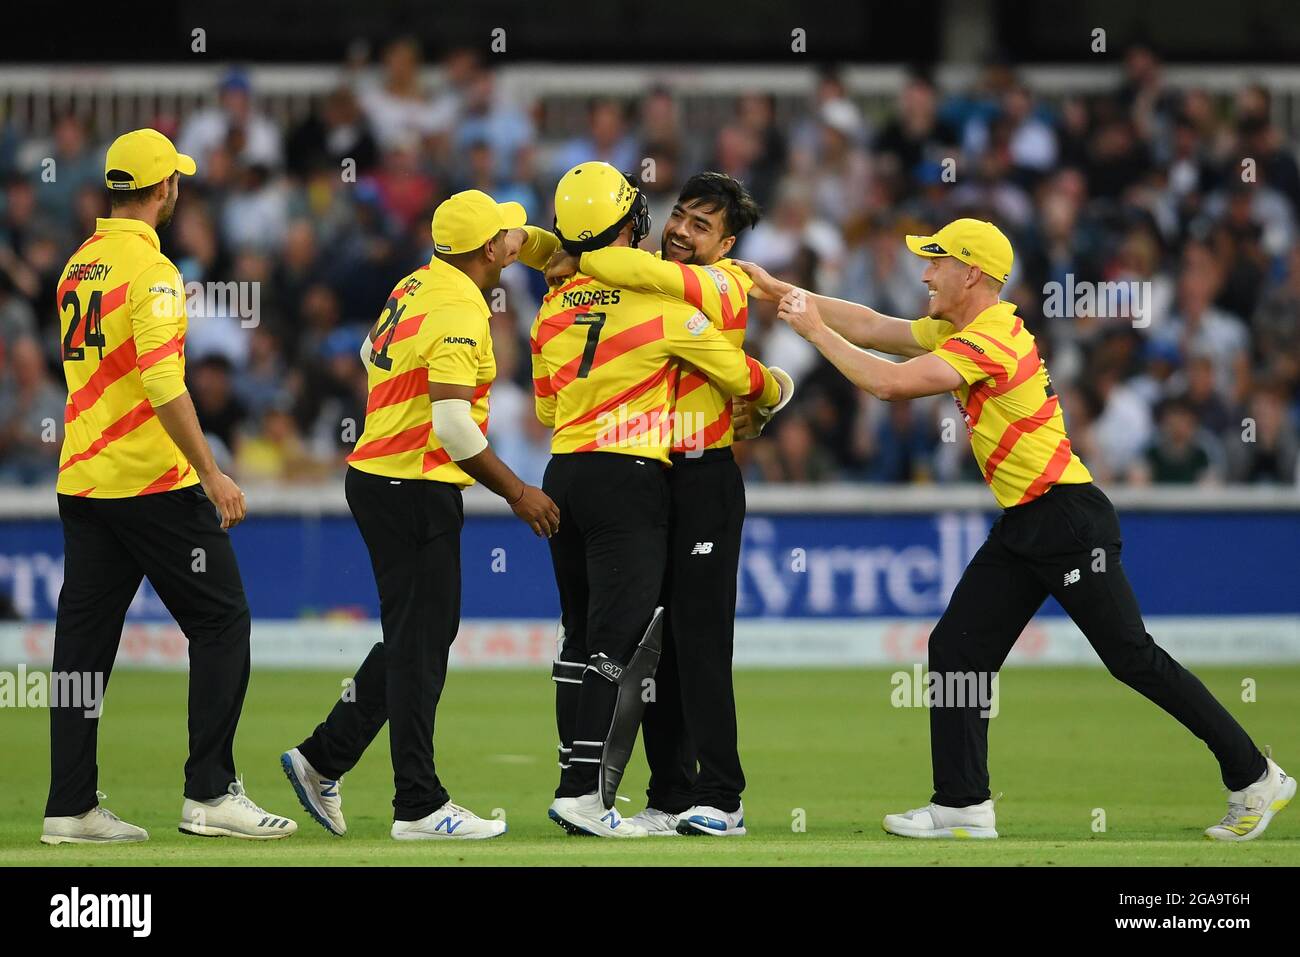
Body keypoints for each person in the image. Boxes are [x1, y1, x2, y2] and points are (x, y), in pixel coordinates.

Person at [740, 218, 1293, 841]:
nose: (924, 273)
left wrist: (812, 331)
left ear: (971, 273)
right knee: (957, 649)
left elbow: (890, 383)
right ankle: (961, 806)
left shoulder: (993, 339)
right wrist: (778, 290)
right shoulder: (964, 327)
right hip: (1031, 520)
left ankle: (1254, 777)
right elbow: (873, 327)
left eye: (936, 262)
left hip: (1065, 519)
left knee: (1131, 658)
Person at [280, 190, 559, 841]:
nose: (511, 244)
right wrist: (520, 492)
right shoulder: (463, 305)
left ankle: (325, 757)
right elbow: (454, 425)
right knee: (422, 641)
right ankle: (417, 803)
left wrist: (546, 245)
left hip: (380, 475)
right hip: (413, 484)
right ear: (486, 250)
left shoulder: (418, 282)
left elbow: (366, 358)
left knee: (419, 636)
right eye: (504, 238)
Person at [43, 128, 296, 844]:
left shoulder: (77, 267)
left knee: (81, 650)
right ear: (165, 191)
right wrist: (212, 471)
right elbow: (161, 382)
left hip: (85, 482)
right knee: (222, 623)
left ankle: (70, 806)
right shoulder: (151, 272)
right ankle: (210, 793)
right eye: (175, 182)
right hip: (152, 482)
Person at [531, 162, 790, 838]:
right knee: (656, 648)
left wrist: (774, 392)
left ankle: (723, 794)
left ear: (727, 247)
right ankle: (671, 794)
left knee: (699, 640)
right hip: (646, 476)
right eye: (678, 215)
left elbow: (636, 275)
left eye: (701, 226)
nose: (680, 231)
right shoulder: (630, 285)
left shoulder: (722, 284)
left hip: (701, 476)